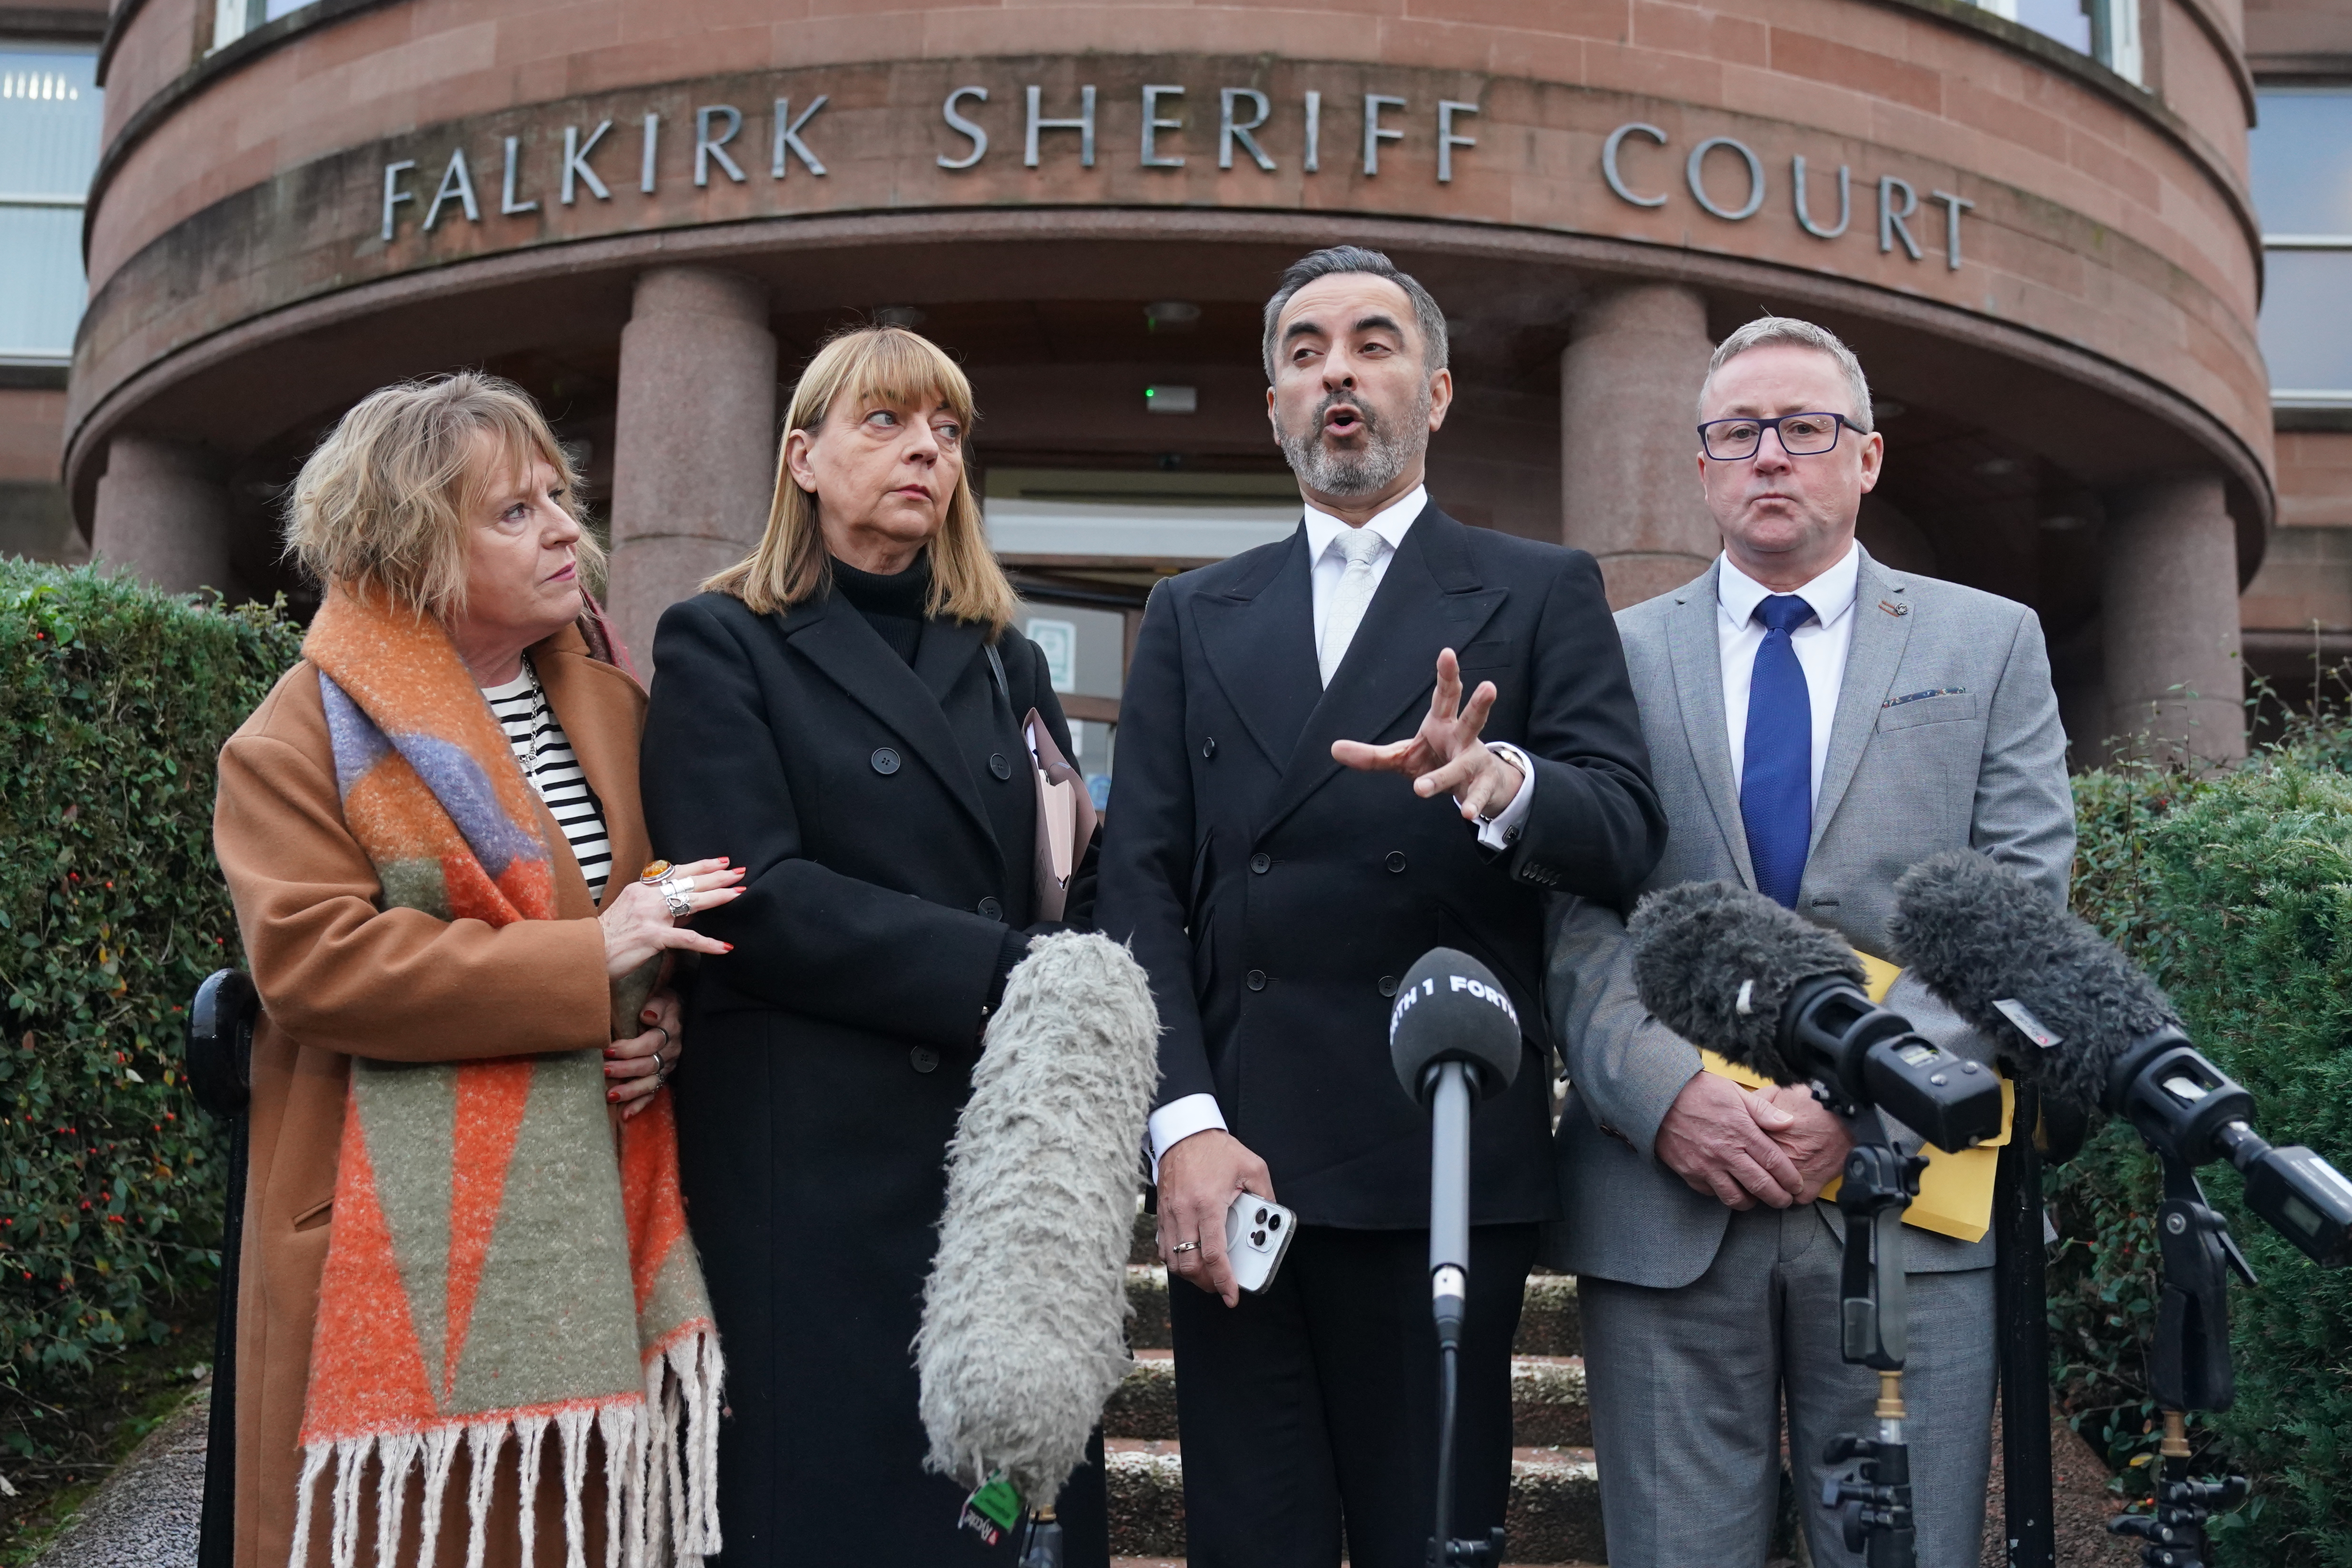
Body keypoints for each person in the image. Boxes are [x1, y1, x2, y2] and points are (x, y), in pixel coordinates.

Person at [1098, 246, 1667, 1568]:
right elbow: (1136, 884)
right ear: (1276, 407)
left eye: (1371, 344)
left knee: (1431, 1539)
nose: (1337, 372)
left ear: (1439, 390)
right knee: (1253, 1534)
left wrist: (1504, 783)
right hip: (1244, 1159)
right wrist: (1182, 1124)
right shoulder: (1189, 612)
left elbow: (1629, 831)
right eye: (1304, 353)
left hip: (1443, 1152)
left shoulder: (1541, 590)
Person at [1545, 315, 2076, 1568]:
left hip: (1909, 1200)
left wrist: (1872, 1096)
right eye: (1739, 433)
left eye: (1805, 429)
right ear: (1702, 468)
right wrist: (1668, 1099)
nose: (1771, 456)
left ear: (1868, 458)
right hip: (1669, 1201)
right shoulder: (1607, 661)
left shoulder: (1986, 644)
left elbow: (2020, 906)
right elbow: (1577, 915)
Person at [213, 372, 744, 1568]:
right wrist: (587, 960)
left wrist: (660, 1020)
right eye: (514, 511)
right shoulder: (295, 737)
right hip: (394, 1245)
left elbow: (657, 925)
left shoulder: (613, 707)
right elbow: (318, 964)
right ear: (410, 543)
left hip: (603, 1224)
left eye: (560, 495)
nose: (566, 527)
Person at [637, 323, 1109, 1566]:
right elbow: (742, 892)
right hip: (812, 1177)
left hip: (996, 1168)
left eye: (947, 432)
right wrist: (999, 974)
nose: (925, 453)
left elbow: (1070, 870)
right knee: (839, 1517)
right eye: (886, 424)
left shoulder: (1004, 652)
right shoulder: (718, 638)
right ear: (802, 456)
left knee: (1000, 1522)